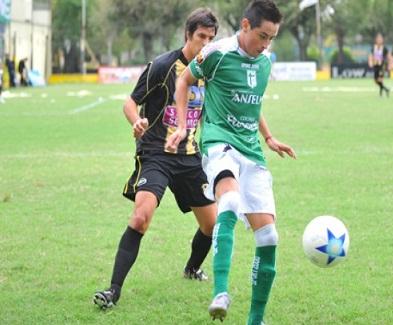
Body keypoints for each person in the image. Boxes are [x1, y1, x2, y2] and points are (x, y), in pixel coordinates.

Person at [166, 1, 296, 324]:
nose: (266, 44)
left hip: (251, 149)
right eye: (262, 35)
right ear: (246, 25)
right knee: (230, 201)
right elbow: (184, 82)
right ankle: (220, 292)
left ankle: (256, 319)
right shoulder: (217, 54)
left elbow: (252, 105)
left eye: (272, 38)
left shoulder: (264, 62)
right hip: (218, 141)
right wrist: (183, 126)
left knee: (269, 238)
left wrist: (268, 137)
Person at [93, 8, 219, 309]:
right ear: (188, 35)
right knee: (141, 217)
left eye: (211, 38)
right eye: (201, 36)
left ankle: (191, 268)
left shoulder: (211, 69)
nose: (205, 43)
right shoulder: (163, 66)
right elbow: (130, 103)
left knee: (212, 226)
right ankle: (113, 291)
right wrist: (136, 121)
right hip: (156, 155)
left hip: (189, 157)